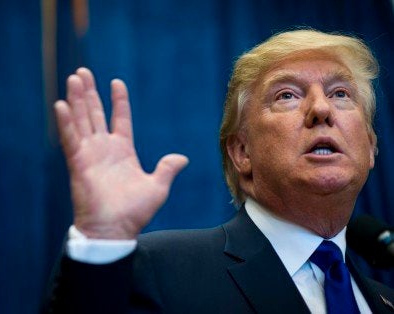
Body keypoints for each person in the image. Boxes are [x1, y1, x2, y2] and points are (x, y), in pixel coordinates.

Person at [43, 29, 394, 313]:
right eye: (287, 95)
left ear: (370, 146)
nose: (321, 108)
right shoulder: (161, 270)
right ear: (242, 152)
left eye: (341, 94)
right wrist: (102, 236)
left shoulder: (385, 300)